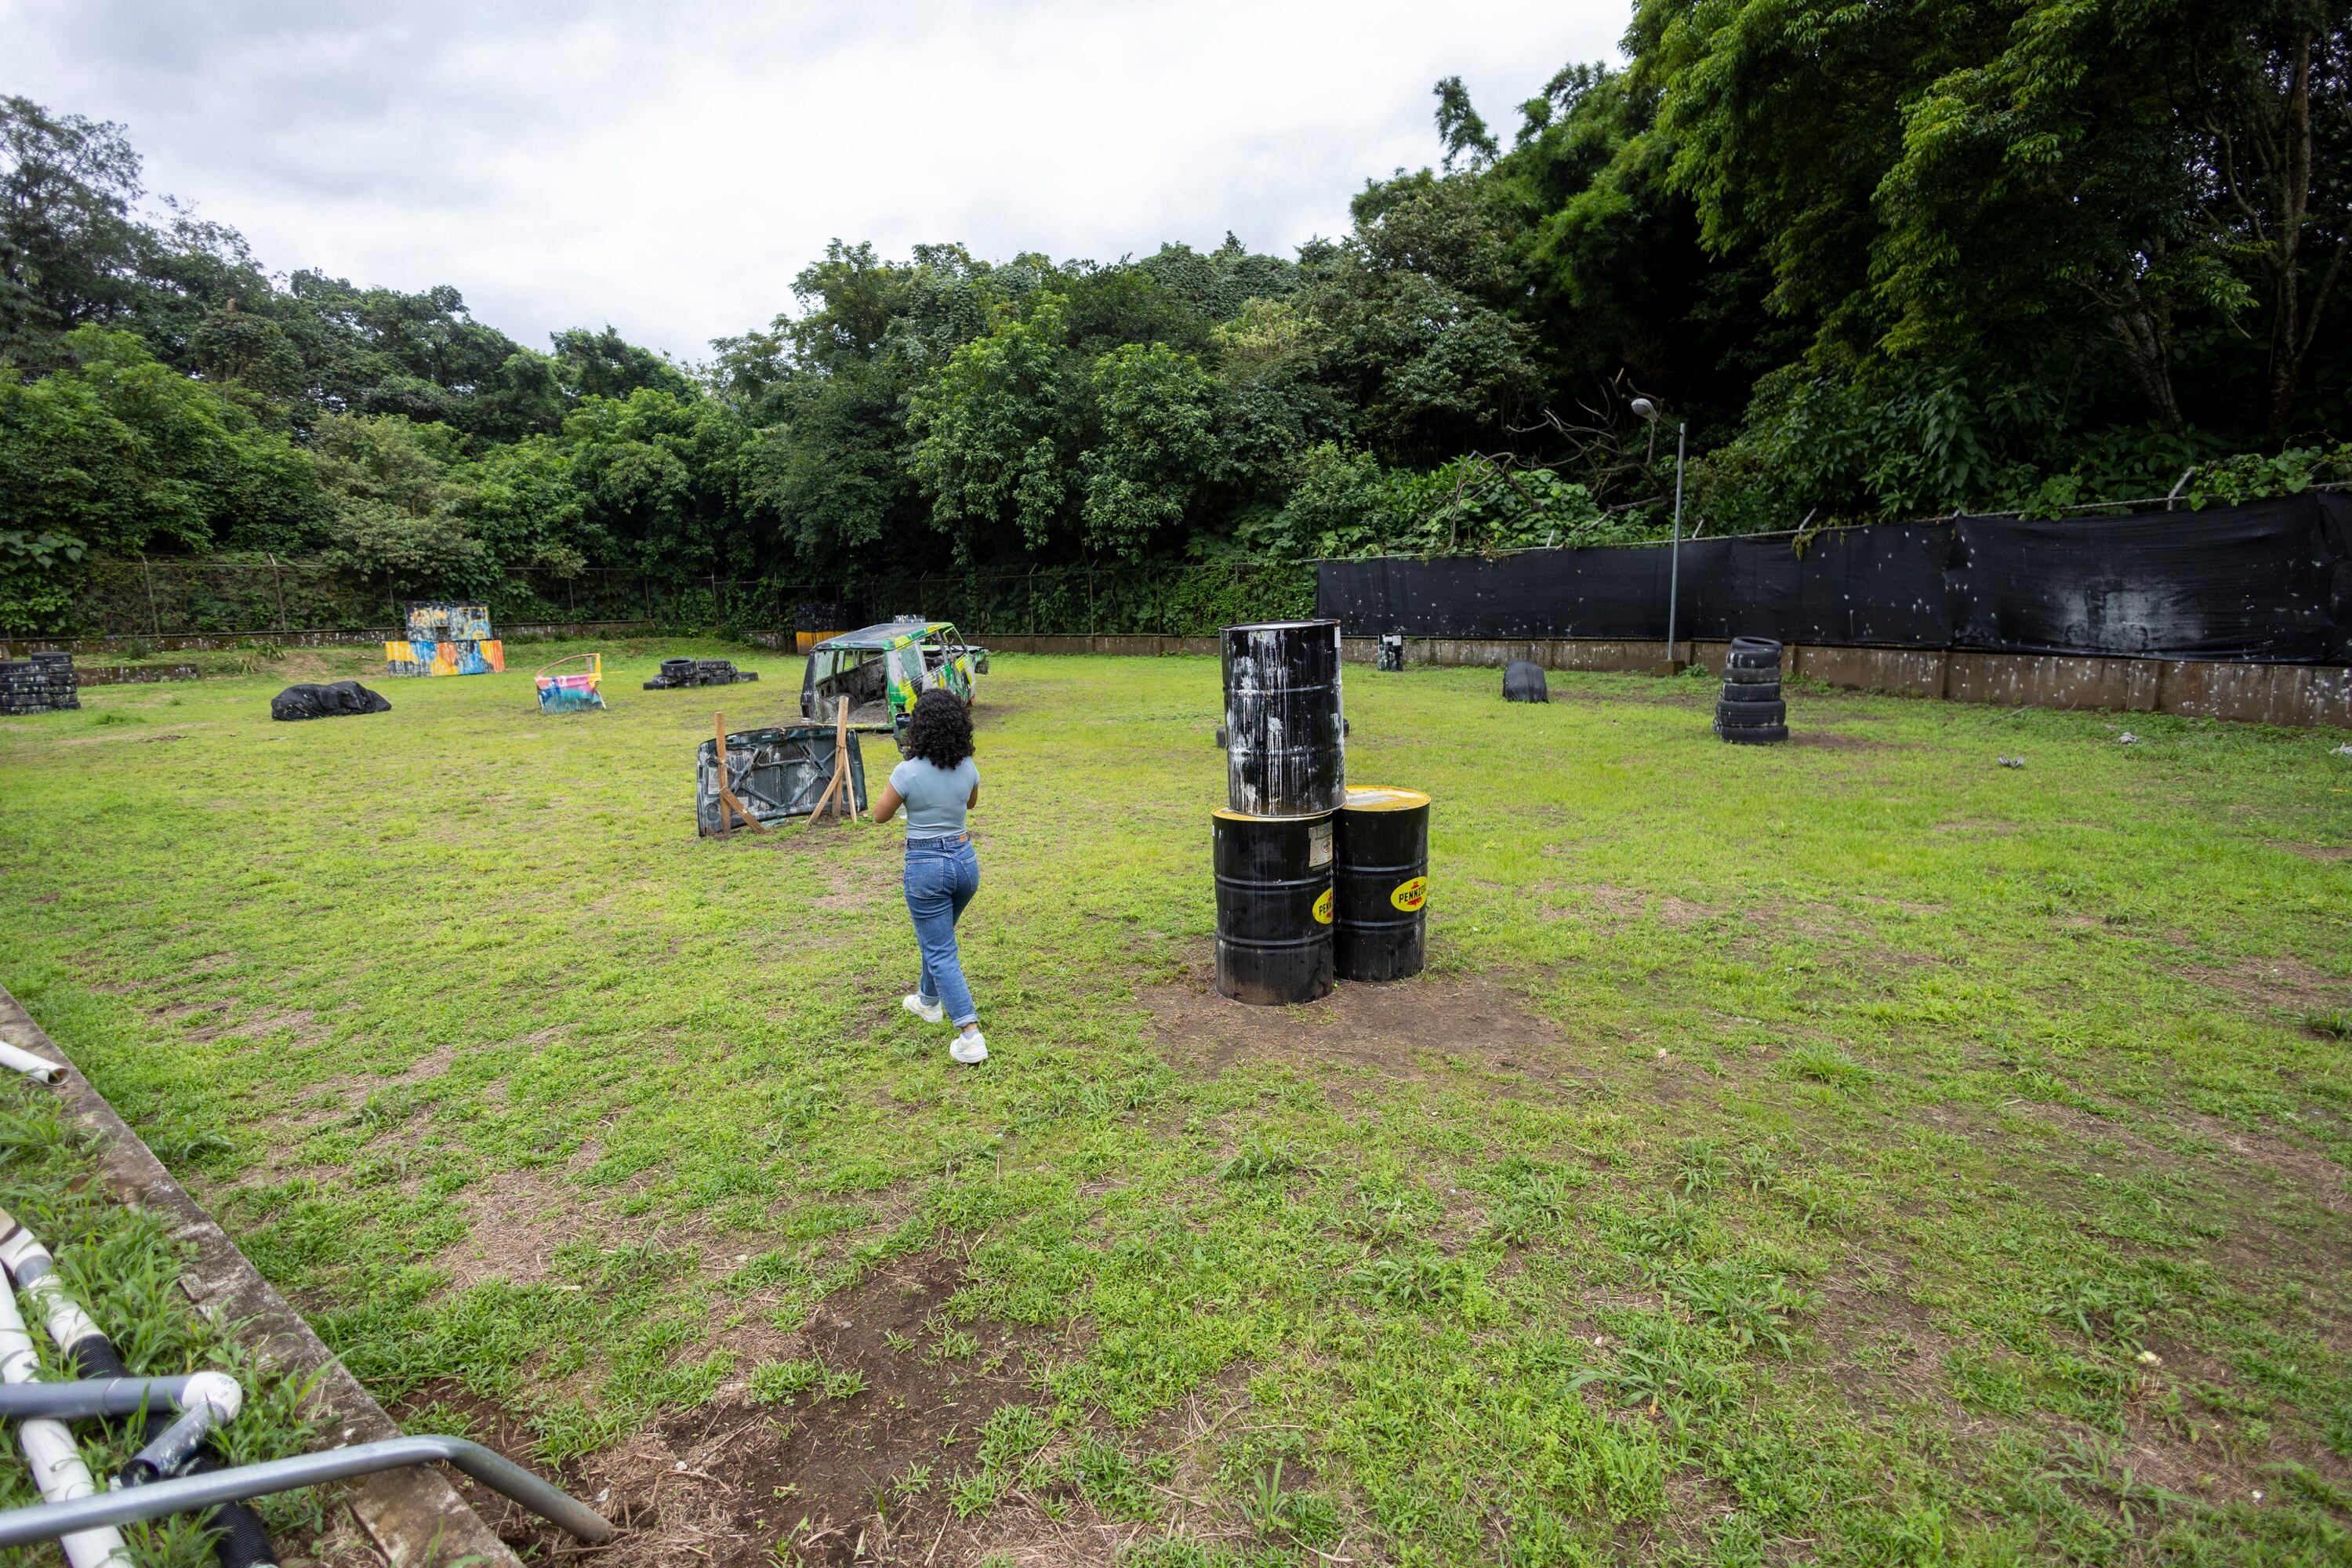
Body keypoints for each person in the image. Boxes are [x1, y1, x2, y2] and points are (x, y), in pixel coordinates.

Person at [869, 688, 987, 1064]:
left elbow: (879, 815)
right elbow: (970, 802)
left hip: (927, 867)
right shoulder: (967, 766)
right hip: (965, 863)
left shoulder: (907, 771)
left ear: (917, 726)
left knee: (940, 949)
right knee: (938, 938)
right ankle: (928, 1001)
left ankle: (970, 1034)